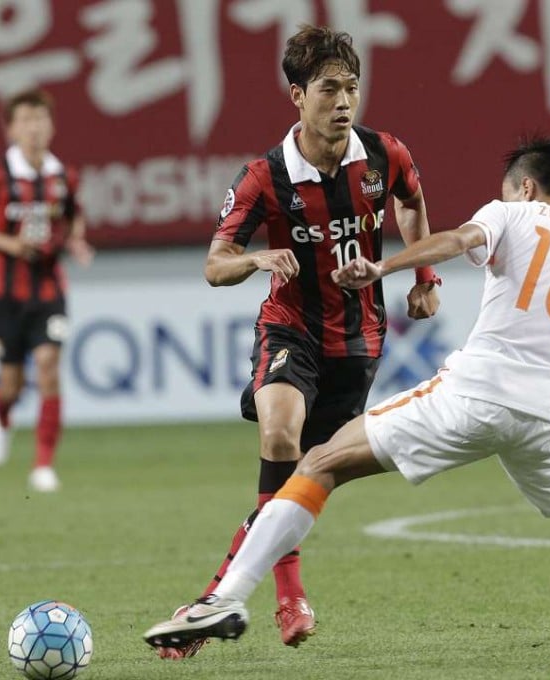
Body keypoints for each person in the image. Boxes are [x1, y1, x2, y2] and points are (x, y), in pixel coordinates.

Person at [143, 137, 550, 657]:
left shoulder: (510, 213)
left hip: (475, 394)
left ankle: (227, 599)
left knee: (318, 463)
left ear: (525, 186)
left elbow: (458, 238)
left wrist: (385, 265)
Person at [156, 25, 440, 655]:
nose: (344, 102)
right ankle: (288, 596)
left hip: (360, 339)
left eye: (352, 88)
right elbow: (215, 263)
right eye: (329, 89)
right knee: (281, 435)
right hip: (290, 328)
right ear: (296, 95)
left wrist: (424, 274)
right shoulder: (263, 177)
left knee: (306, 478)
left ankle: (208, 602)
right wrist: (257, 260)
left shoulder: (384, 153)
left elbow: (412, 204)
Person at [0, 88, 93, 493]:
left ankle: (43, 464)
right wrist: (9, 244)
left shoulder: (62, 175)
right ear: (11, 129)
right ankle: (1, 419)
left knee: (49, 368)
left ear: (51, 126)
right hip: (4, 293)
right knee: (12, 382)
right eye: (26, 121)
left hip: (50, 289)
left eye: (40, 120)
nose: (34, 128)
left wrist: (76, 240)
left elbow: (73, 217)